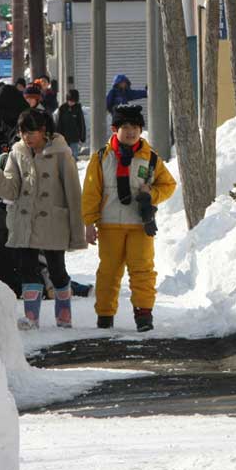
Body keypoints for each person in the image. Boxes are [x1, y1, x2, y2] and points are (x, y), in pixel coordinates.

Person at [0, 108, 88, 329]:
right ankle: (31, 318)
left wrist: (78, 230)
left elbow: (73, 193)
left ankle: (64, 317)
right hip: (25, 221)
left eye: (31, 132)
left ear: (43, 131)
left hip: (53, 222)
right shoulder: (17, 152)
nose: (26, 137)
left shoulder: (61, 153)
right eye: (22, 132)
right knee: (27, 270)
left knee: (57, 270)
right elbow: (11, 190)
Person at [82, 104, 176, 331]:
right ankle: (105, 315)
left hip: (140, 225)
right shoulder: (102, 158)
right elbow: (91, 192)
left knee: (143, 270)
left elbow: (168, 185)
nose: (131, 132)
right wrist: (89, 223)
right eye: (125, 127)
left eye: (135, 127)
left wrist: (151, 194)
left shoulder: (151, 158)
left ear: (141, 130)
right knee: (109, 272)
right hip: (109, 224)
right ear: (115, 129)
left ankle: (144, 315)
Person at [56, 89, 86, 160]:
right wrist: (57, 135)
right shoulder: (62, 108)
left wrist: (82, 136)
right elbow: (58, 123)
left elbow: (81, 123)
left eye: (73, 101)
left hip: (74, 137)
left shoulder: (78, 109)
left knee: (73, 156)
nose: (71, 103)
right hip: (64, 137)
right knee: (64, 156)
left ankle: (73, 165)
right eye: (70, 101)